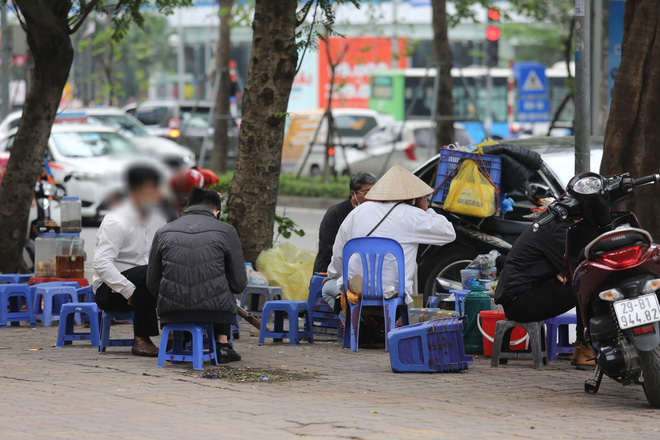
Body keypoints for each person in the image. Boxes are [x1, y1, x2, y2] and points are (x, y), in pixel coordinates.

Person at [323, 164, 456, 323]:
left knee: (327, 288)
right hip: (393, 293)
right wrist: (426, 209)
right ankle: (380, 329)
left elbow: (339, 253)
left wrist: (332, 275)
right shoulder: (413, 216)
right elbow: (449, 233)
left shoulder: (358, 212)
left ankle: (357, 330)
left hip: (356, 291)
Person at [147, 187, 247, 363]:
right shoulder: (227, 230)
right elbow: (238, 283)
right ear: (216, 211)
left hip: (171, 311)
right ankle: (222, 344)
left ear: (188, 206)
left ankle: (175, 340)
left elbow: (152, 283)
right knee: (221, 281)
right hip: (215, 312)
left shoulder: (163, 231)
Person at [494, 215, 595, 368]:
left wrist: (557, 270)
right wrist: (562, 271)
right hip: (521, 302)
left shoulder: (549, 222)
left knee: (580, 281)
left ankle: (582, 348)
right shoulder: (558, 230)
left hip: (518, 298)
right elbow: (576, 269)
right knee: (586, 284)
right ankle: (585, 350)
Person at [93, 165, 166, 357]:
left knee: (170, 269)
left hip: (146, 287)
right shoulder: (116, 220)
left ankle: (176, 335)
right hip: (110, 290)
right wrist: (128, 290)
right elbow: (101, 264)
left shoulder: (158, 217)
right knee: (148, 273)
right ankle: (142, 339)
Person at [312, 171, 377, 274]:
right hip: (331, 272)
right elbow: (329, 252)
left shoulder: (376, 214)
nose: (372, 197)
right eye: (366, 193)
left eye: (375, 192)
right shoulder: (334, 214)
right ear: (353, 194)